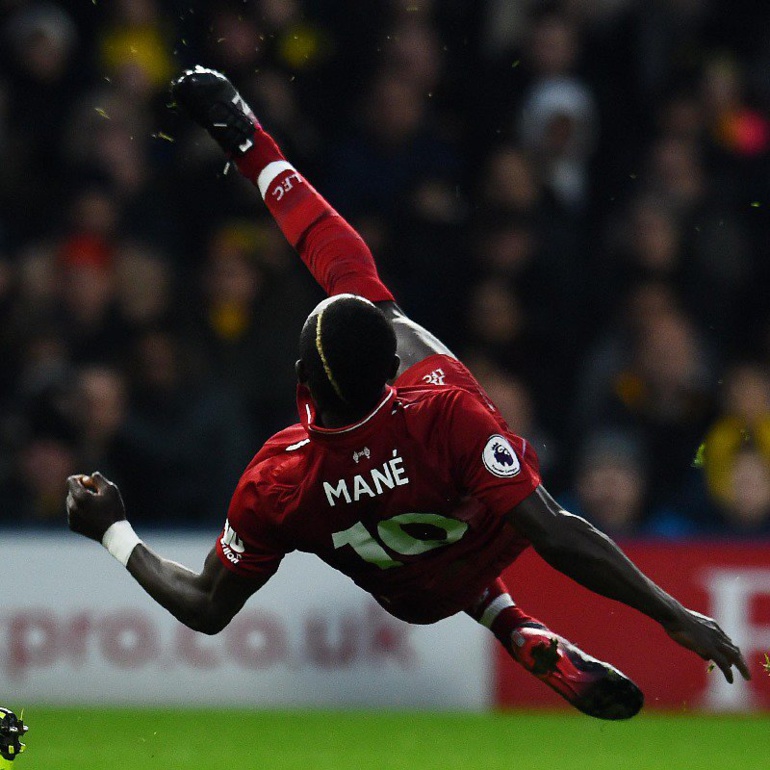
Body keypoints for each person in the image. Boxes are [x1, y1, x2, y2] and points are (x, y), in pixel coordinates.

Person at [66, 67, 749, 721]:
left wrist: (113, 530)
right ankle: (507, 616)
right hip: (483, 535)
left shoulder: (277, 479)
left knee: (420, 549)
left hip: (410, 592)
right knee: (482, 495)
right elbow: (558, 533)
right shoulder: (442, 407)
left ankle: (507, 621)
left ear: (305, 385)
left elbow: (205, 607)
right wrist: (673, 614)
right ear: (389, 362)